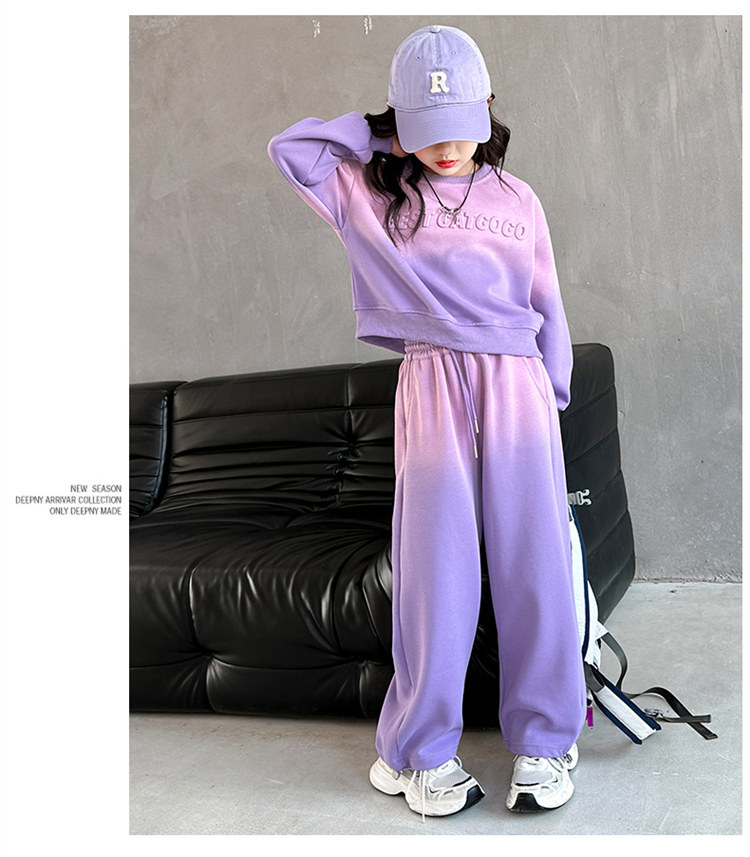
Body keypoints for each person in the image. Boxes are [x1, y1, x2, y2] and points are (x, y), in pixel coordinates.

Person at [268, 24, 586, 819]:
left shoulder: (518, 198)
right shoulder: (375, 193)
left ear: (488, 108)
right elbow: (293, 150)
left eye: (460, 124)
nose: (446, 146)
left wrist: (551, 395)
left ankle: (546, 740)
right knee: (434, 573)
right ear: (400, 125)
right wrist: (385, 129)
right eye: (426, 128)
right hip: (433, 381)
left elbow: (547, 301)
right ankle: (418, 749)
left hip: (516, 386)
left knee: (536, 568)